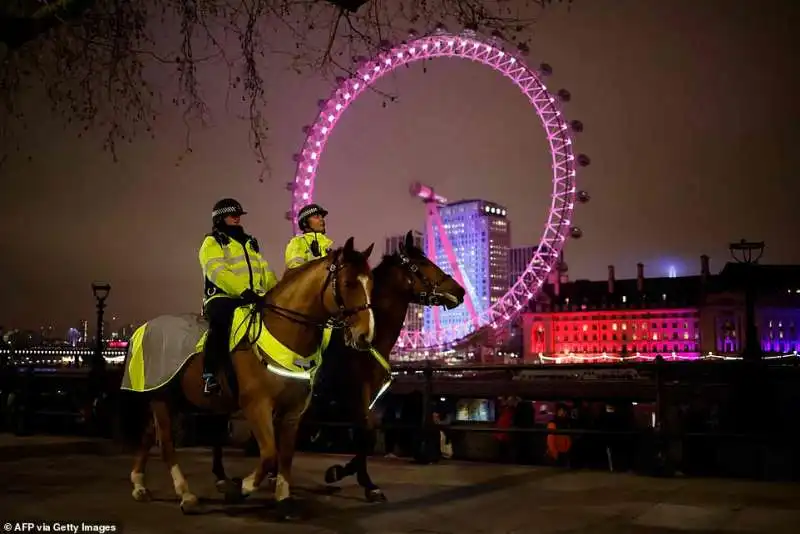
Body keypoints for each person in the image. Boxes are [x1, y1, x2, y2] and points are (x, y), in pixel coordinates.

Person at [198, 198, 278, 395]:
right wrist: (243, 290)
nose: (236, 218)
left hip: (253, 297)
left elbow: (265, 270)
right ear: (220, 219)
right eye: (232, 215)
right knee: (221, 325)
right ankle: (210, 375)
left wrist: (276, 292)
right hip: (222, 297)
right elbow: (217, 271)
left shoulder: (250, 243)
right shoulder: (212, 242)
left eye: (238, 215)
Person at [284, 203, 335, 270]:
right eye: (316, 217)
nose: (321, 219)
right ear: (305, 223)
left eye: (322, 217)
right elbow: (295, 272)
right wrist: (314, 260)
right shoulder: (297, 242)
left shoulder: (329, 244)